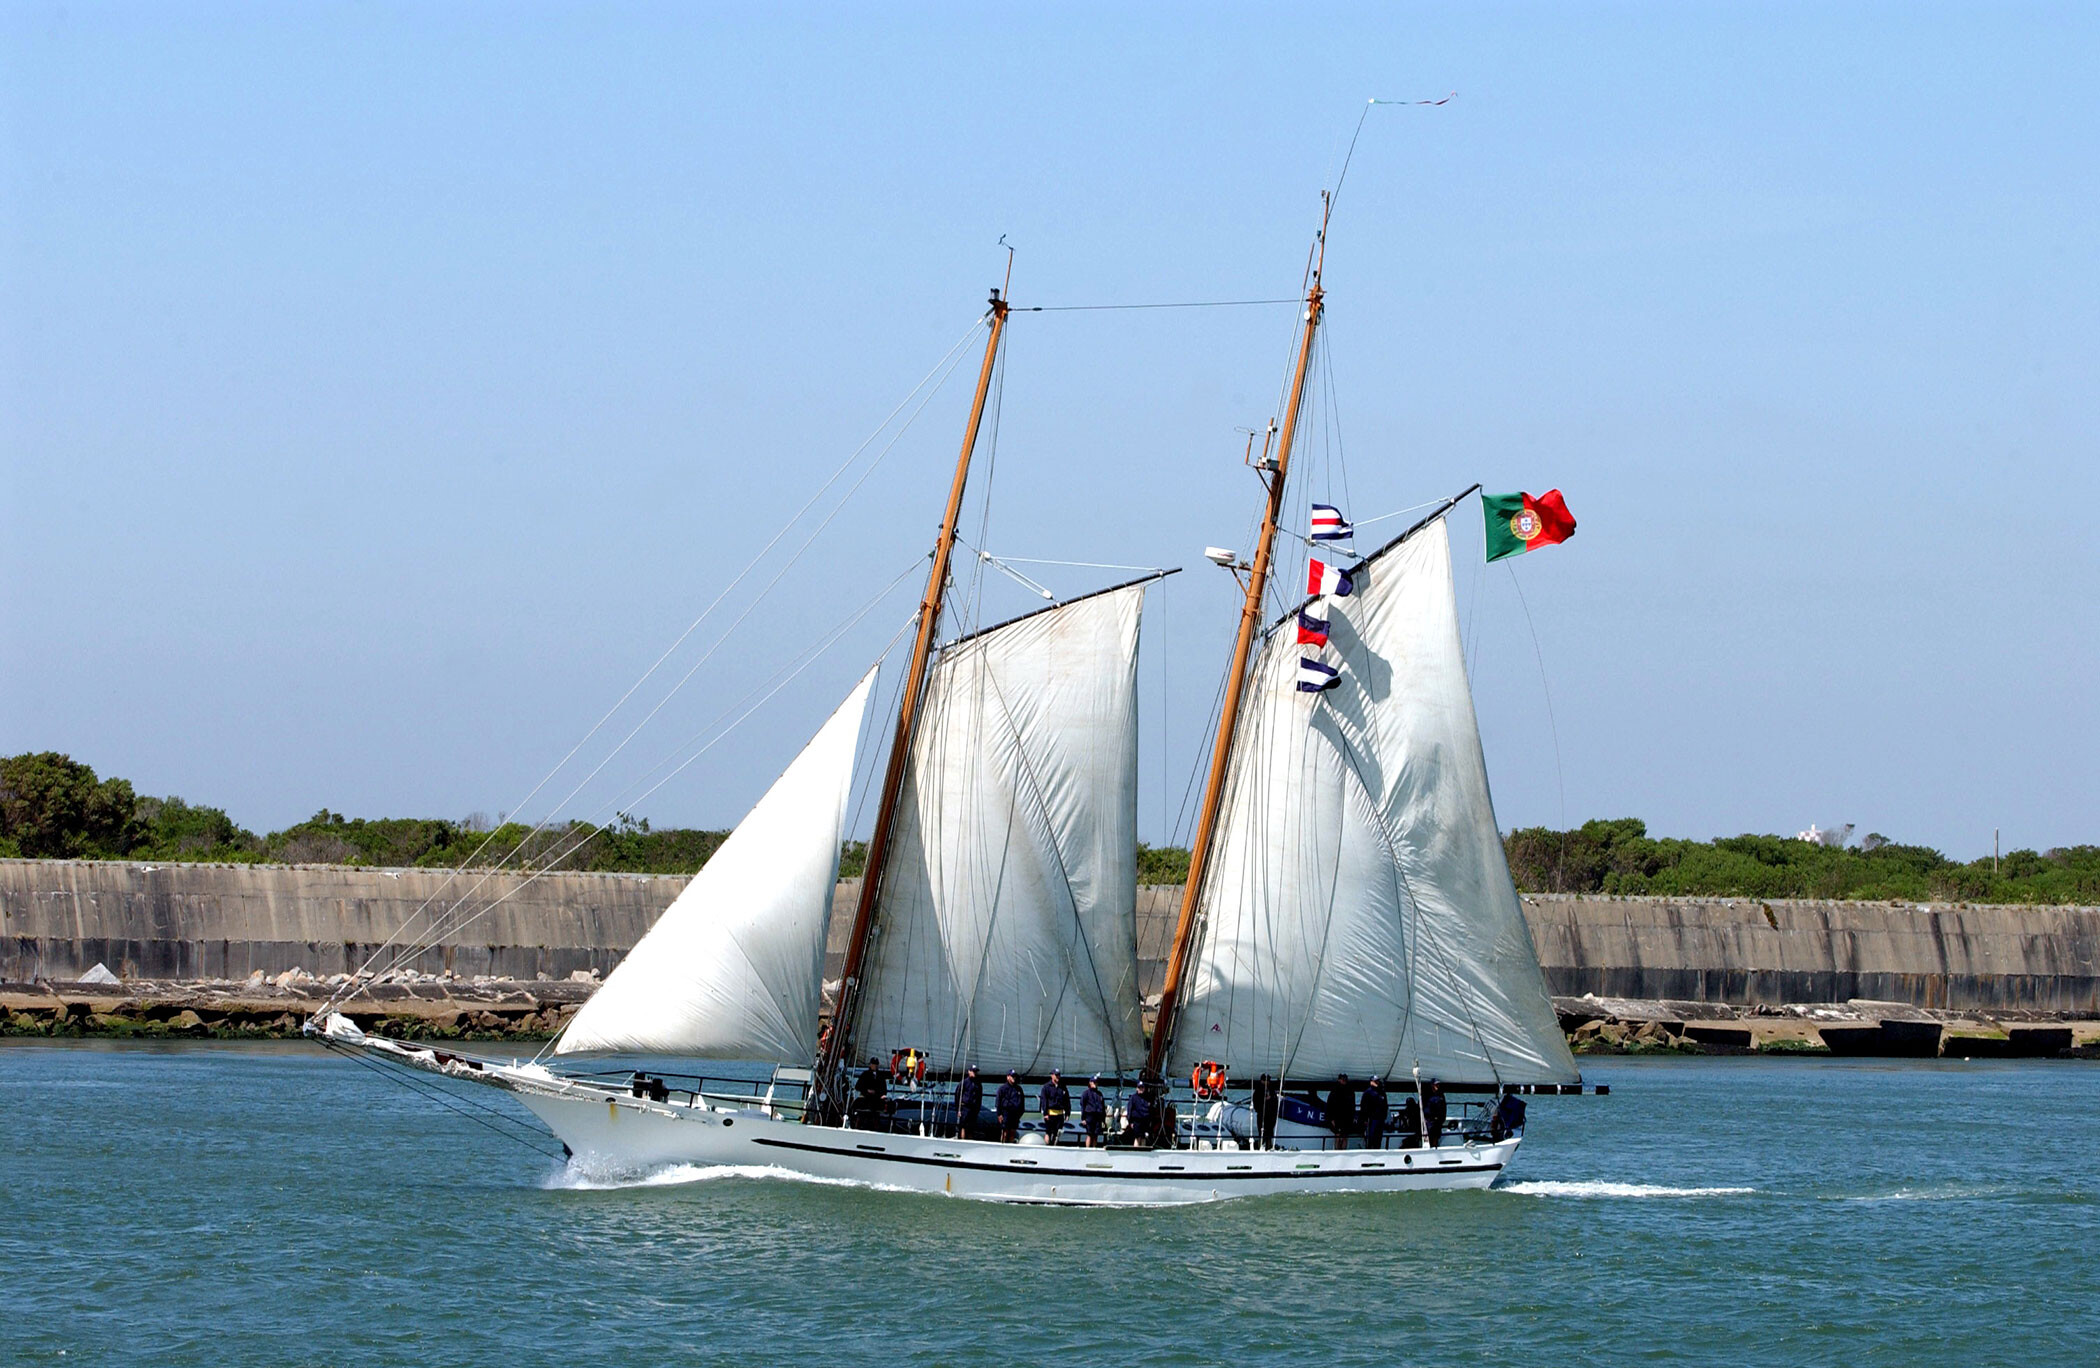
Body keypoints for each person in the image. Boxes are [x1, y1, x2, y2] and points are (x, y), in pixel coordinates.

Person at [852, 1056, 889, 1131]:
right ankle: (859, 1124)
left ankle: (875, 1125)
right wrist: (867, 1091)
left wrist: (880, 1094)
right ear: (870, 1065)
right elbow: (858, 1086)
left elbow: (883, 1089)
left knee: (876, 1108)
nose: (874, 1066)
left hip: (876, 1098)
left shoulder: (881, 1076)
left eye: (876, 1064)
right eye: (873, 1064)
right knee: (862, 1107)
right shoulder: (865, 1074)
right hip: (866, 1097)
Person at [1039, 1070, 1071, 1146]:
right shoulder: (1046, 1087)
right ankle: (1047, 1146)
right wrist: (1045, 1113)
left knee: (1057, 1133)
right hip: (1050, 1113)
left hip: (1060, 1114)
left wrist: (1067, 1113)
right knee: (1048, 1132)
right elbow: (1044, 1101)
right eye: (1056, 1075)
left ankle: (1054, 1145)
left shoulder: (1062, 1087)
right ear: (1052, 1076)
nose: (1057, 1077)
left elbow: (1067, 1101)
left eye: (1058, 1075)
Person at [1325, 1073, 1355, 1150]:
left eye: (1345, 1079)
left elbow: (1352, 1106)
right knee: (1337, 1135)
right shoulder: (1334, 1091)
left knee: (1345, 1136)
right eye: (1342, 1079)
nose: (1344, 1081)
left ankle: (1343, 1151)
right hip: (1336, 1118)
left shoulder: (1350, 1091)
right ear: (1339, 1080)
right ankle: (1337, 1151)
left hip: (1346, 1118)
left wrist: (1351, 1118)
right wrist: (1331, 1119)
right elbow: (1329, 1106)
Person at [995, 1070, 1026, 1143]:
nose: (1014, 1078)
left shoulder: (1019, 1089)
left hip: (1015, 1114)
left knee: (1012, 1132)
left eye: (1015, 1076)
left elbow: (1022, 1102)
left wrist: (1020, 1113)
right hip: (1006, 1113)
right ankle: (1003, 1147)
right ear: (1008, 1077)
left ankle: (1010, 1146)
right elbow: (998, 1102)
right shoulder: (1002, 1088)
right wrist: (999, 1114)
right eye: (1012, 1076)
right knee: (1005, 1132)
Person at [1250, 1073, 1279, 1149]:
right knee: (1262, 1132)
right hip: (1262, 1114)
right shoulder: (1258, 1090)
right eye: (1266, 1081)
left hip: (1271, 1115)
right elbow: (1256, 1102)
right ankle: (1261, 1147)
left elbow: (1275, 1101)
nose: (1267, 1082)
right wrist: (1264, 1100)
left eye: (1268, 1081)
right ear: (1262, 1081)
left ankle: (1269, 1146)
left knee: (1269, 1132)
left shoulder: (1271, 1090)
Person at [953, 1064, 983, 1140]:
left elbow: (979, 1097)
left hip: (973, 1108)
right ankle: (963, 1140)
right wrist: (958, 1109)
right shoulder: (964, 1082)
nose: (974, 1073)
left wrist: (978, 1108)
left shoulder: (978, 1084)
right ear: (969, 1071)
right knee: (963, 1126)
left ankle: (970, 1140)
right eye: (973, 1071)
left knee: (971, 1127)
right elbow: (957, 1095)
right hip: (965, 1107)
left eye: (975, 1071)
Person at [1359, 1076, 1388, 1149]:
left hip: (1380, 1118)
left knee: (1379, 1137)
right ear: (1371, 1082)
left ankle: (1377, 1149)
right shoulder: (1367, 1092)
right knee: (1371, 1136)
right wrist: (1364, 1119)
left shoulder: (1381, 1092)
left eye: (1378, 1081)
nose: (1377, 1083)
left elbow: (1385, 1105)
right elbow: (1363, 1106)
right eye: (1375, 1081)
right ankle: (1370, 1149)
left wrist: (1384, 1116)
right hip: (1371, 1119)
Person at [1122, 1084, 1155, 1148]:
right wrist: (1130, 1121)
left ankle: (1143, 1151)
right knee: (1137, 1138)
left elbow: (1150, 1110)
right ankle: (1136, 1150)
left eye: (1142, 1087)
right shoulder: (1133, 1098)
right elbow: (1129, 1110)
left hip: (1145, 1121)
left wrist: (1150, 1121)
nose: (1141, 1089)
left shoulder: (1147, 1098)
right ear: (1137, 1088)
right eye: (1139, 1088)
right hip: (1136, 1121)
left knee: (1144, 1137)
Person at [1080, 1075, 1107, 1147]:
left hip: (1098, 1116)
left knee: (1096, 1135)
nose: (1095, 1084)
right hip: (1089, 1116)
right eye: (1094, 1082)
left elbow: (1102, 1107)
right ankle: (1087, 1149)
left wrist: (1103, 1119)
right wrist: (1083, 1118)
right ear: (1090, 1083)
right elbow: (1083, 1106)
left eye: (1096, 1082)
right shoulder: (1086, 1093)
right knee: (1089, 1134)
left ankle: (1094, 1148)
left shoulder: (1099, 1094)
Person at [1422, 1077, 1447, 1149]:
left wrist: (1442, 1118)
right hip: (1430, 1120)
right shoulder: (1427, 1095)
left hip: (1438, 1120)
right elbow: (1425, 1107)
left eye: (1438, 1085)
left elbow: (1444, 1107)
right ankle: (1430, 1146)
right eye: (1436, 1085)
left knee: (1437, 1135)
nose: (1437, 1086)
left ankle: (1435, 1146)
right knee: (1430, 1134)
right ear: (1432, 1085)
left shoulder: (1441, 1095)